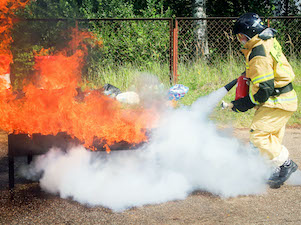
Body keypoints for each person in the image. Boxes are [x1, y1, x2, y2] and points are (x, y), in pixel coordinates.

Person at [229, 12, 298, 188]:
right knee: (271, 137)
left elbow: (265, 89)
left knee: (258, 135)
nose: (240, 40)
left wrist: (246, 103)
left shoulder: (257, 54)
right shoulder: (267, 40)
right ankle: (273, 169)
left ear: (248, 33)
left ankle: (286, 164)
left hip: (276, 101)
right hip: (284, 98)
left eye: (241, 36)